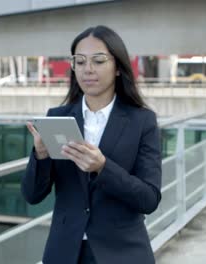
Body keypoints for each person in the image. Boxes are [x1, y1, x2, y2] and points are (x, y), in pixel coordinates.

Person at [21, 25, 162, 264]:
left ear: (117, 67)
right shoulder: (57, 117)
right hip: (64, 251)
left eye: (98, 61)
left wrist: (103, 167)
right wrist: (41, 155)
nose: (88, 70)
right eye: (80, 61)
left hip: (122, 253)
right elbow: (32, 195)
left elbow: (149, 199)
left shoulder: (142, 121)